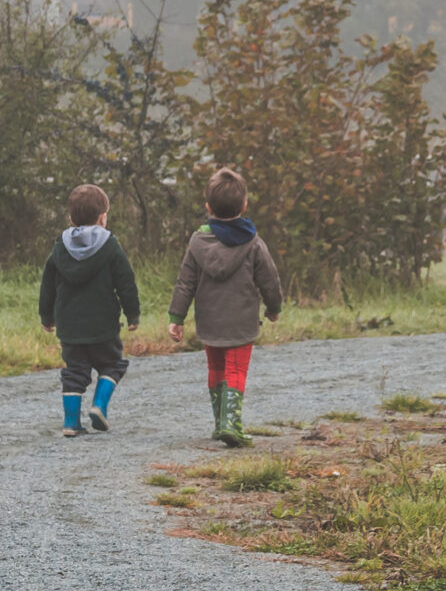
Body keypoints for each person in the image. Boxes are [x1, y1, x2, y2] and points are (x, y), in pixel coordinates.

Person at [166, 165, 283, 446]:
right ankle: (232, 424)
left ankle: (220, 423)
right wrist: (273, 306)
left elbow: (185, 283)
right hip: (241, 321)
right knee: (236, 370)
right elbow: (269, 278)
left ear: (207, 206)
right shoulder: (253, 242)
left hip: (209, 320)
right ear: (244, 205)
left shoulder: (197, 242)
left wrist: (176, 317)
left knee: (216, 368)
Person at [40, 184, 142, 437]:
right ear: (102, 217)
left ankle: (71, 423)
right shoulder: (110, 246)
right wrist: (133, 314)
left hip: (70, 326)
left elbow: (48, 285)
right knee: (113, 364)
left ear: (71, 218)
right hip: (103, 325)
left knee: (75, 371)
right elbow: (125, 282)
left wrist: (46, 316)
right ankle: (99, 406)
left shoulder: (59, 247)